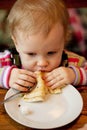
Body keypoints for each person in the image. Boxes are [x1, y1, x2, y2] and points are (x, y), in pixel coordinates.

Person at [0, 0, 87, 92]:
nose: (42, 63)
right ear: (16, 43)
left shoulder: (73, 62)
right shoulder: (6, 61)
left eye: (51, 53)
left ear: (63, 41)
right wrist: (6, 76)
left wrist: (74, 75)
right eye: (31, 54)